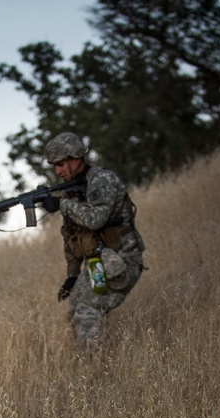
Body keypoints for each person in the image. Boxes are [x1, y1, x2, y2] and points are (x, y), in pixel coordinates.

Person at [41, 132, 146, 349]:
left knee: (88, 308)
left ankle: (93, 365)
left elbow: (96, 219)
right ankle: (99, 356)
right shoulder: (74, 190)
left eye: (60, 164)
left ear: (76, 158)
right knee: (76, 307)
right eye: (54, 166)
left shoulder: (102, 180)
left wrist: (61, 204)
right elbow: (71, 236)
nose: (57, 171)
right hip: (99, 264)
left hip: (122, 260)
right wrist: (72, 276)